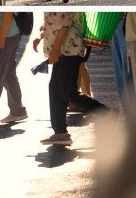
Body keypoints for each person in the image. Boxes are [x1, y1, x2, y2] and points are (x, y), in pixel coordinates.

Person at [33, 12, 108, 145]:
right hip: (64, 51)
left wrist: (55, 49)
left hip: (68, 50)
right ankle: (61, 133)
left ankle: (107, 114)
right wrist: (41, 36)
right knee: (56, 92)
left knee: (69, 93)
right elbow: (54, 21)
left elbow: (63, 26)